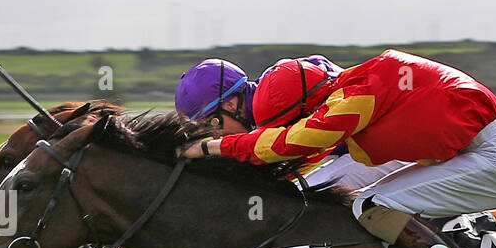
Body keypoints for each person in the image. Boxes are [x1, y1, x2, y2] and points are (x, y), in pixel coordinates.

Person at [182, 50, 496, 248]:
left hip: (495, 159)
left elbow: (289, 144)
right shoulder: (341, 90)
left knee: (370, 206)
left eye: (213, 125)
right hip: (466, 151)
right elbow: (292, 150)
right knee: (355, 203)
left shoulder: (356, 97)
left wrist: (209, 148)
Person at [173, 56, 406, 191]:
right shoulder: (270, 86)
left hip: (392, 145)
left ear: (231, 105)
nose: (216, 136)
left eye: (212, 125)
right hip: (375, 143)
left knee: (306, 197)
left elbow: (277, 157)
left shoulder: (271, 105)